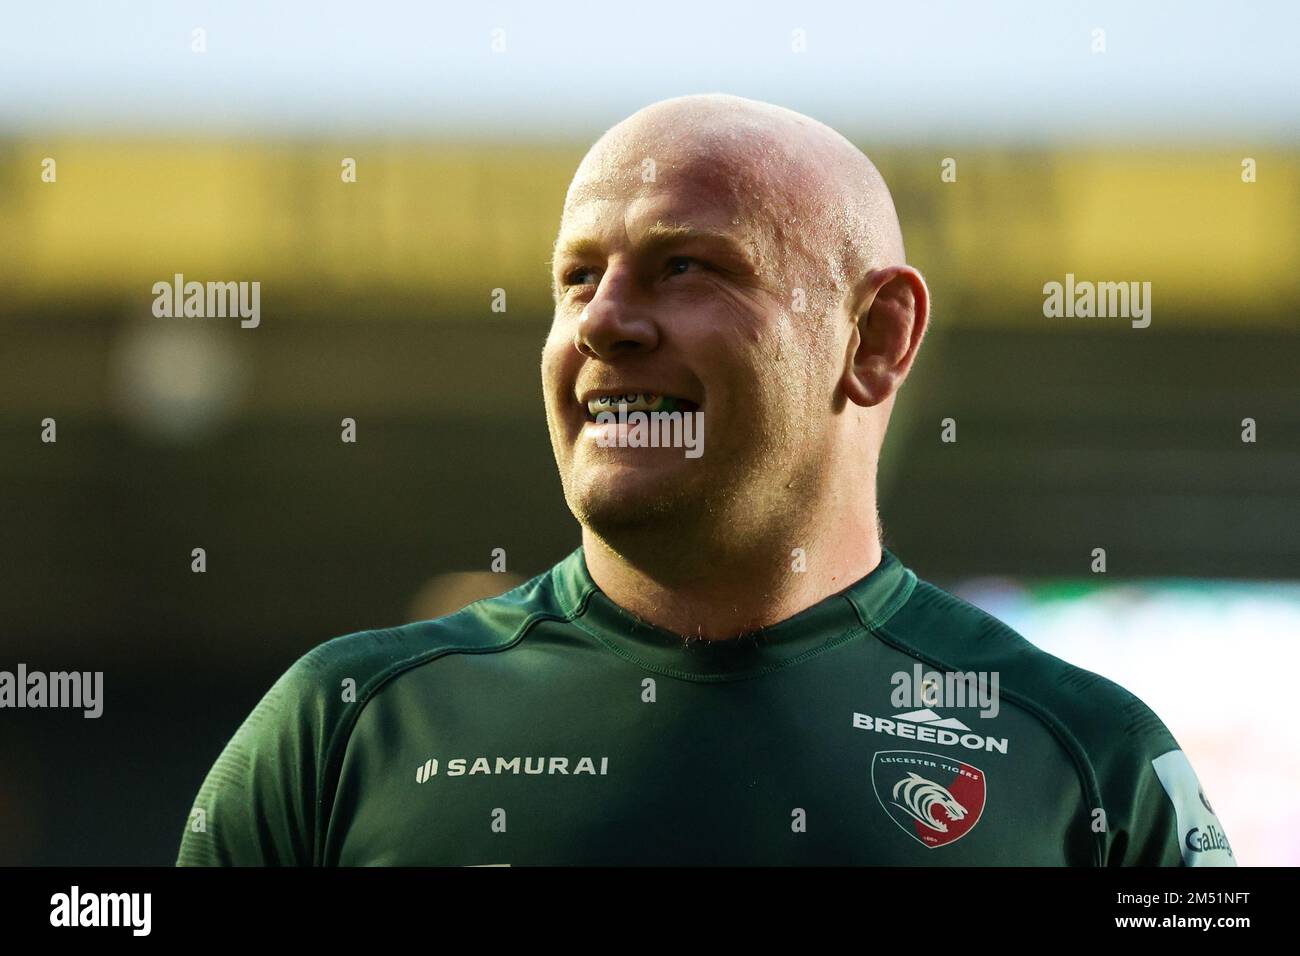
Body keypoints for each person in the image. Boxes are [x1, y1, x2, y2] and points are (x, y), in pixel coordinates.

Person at [177, 94, 1233, 866]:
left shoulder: (1088, 758)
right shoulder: (341, 726)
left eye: (686, 265)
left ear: (875, 334)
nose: (601, 321)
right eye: (578, 277)